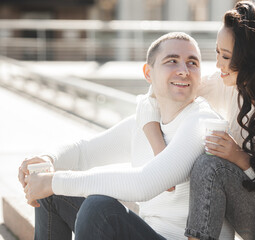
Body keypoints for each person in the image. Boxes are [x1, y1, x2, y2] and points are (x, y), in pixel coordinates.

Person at [18, 32, 234, 240]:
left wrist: (54, 181)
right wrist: (47, 160)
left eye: (192, 63)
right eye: (172, 61)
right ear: (148, 73)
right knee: (50, 192)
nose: (184, 70)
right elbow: (84, 152)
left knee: (99, 209)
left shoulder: (201, 121)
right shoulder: (144, 122)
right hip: (148, 232)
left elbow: (144, 183)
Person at [140, 1, 255, 240]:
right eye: (217, 52)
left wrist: (239, 157)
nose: (218, 65)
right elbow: (158, 91)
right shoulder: (230, 83)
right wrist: (159, 150)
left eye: (226, 56)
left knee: (211, 166)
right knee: (209, 158)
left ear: (251, 59)